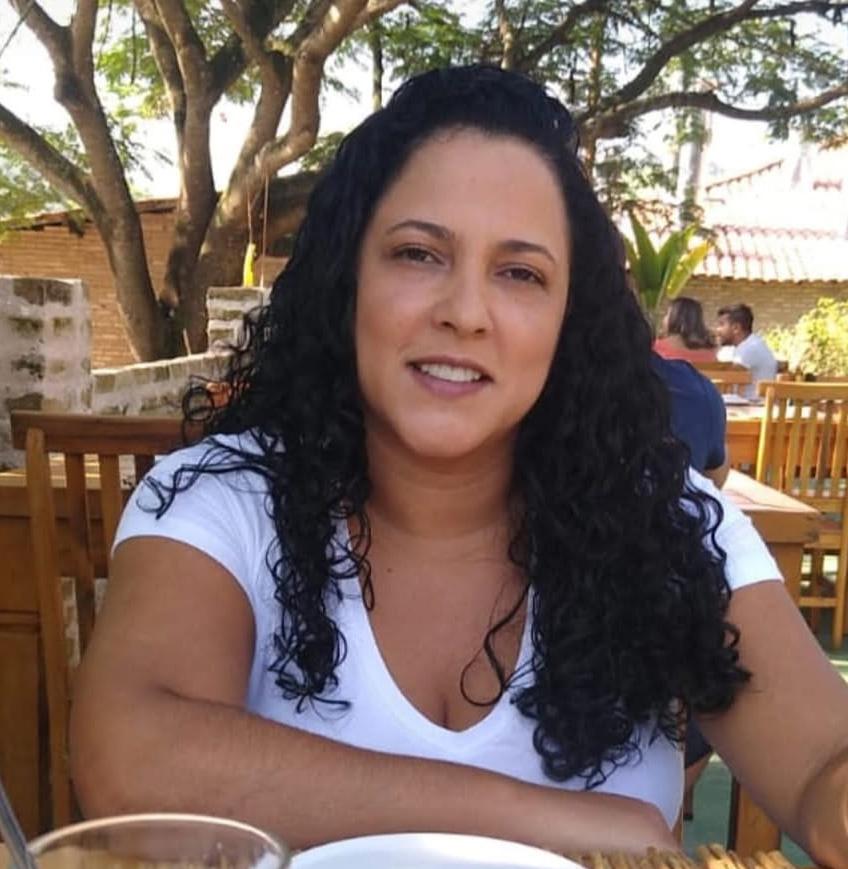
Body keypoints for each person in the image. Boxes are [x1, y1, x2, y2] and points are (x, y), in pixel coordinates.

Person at [70, 66, 848, 864]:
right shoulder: (229, 498)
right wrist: (560, 824)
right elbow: (134, 760)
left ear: (568, 318)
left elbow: (825, 763)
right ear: (347, 279)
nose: (465, 313)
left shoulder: (662, 518)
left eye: (520, 273)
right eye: (418, 254)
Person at [715, 303, 778, 399]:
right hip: (747, 403)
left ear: (736, 328)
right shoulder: (745, 345)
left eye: (721, 325)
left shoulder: (751, 348)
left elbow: (722, 376)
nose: (717, 330)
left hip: (755, 405)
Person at [654, 297, 717, 364]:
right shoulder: (710, 352)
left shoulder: (656, 349)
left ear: (675, 318)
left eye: (667, 314)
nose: (664, 319)